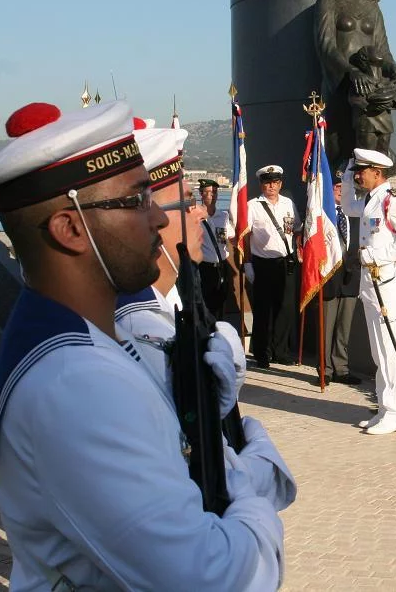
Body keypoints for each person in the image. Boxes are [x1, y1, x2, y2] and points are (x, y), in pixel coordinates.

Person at [0, 101, 284, 589]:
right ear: (71, 229)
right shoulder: (76, 383)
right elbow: (213, 578)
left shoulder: (87, 346)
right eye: (136, 200)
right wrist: (245, 486)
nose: (159, 217)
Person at [115, 124, 297, 513]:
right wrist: (260, 458)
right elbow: (195, 476)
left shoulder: (164, 305)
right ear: (150, 219)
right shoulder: (139, 329)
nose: (200, 211)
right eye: (186, 202)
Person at [315, 0, 396, 172]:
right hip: (340, 82)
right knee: (338, 145)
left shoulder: (372, 8)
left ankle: (371, 192)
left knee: (375, 145)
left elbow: (383, 50)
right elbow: (326, 46)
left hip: (371, 82)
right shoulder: (328, 1)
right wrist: (351, 72)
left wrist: (395, 73)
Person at [341, 148, 396, 435]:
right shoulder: (370, 202)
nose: (359, 174)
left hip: (386, 282)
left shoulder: (391, 202)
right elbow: (348, 206)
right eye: (357, 170)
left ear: (378, 172)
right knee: (378, 351)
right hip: (371, 285)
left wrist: (375, 255)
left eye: (362, 170)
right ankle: (385, 409)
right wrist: (347, 176)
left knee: (389, 349)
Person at [243, 165, 300, 369]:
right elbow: (245, 237)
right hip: (263, 263)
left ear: (280, 184)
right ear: (261, 184)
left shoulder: (288, 204)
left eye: (275, 182)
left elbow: (297, 230)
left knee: (285, 308)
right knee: (263, 310)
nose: (271, 186)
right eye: (267, 182)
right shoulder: (253, 206)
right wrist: (247, 263)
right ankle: (262, 352)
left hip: (285, 262)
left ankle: (281, 351)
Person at [320, 174, 362, 385]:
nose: (339, 190)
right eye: (336, 186)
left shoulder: (356, 214)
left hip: (351, 275)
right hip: (329, 275)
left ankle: (341, 368)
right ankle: (325, 369)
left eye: (342, 187)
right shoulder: (322, 215)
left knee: (344, 327)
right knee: (327, 326)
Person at [197, 178, 235, 318]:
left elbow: (232, 238)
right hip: (204, 268)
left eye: (214, 193)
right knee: (205, 308)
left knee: (220, 305)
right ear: (201, 194)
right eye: (208, 192)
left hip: (222, 267)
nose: (211, 196)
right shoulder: (195, 217)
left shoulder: (223, 217)